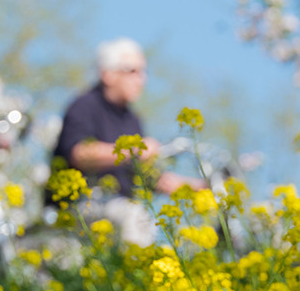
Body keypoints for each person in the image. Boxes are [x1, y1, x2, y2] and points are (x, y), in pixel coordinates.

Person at [47, 38, 202, 243]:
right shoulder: (84, 105)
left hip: (117, 209)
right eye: (133, 71)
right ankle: (138, 274)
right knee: (136, 217)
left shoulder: (133, 120)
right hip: (77, 208)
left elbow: (147, 177)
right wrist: (134, 150)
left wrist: (195, 187)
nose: (142, 79)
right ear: (107, 74)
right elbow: (79, 154)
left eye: (144, 72)